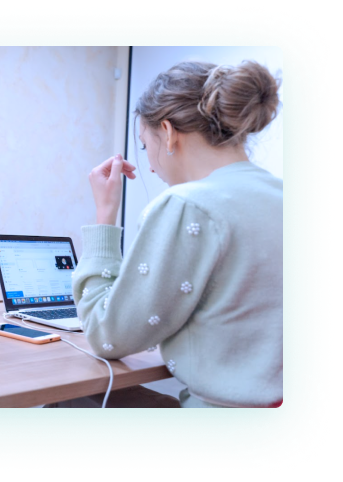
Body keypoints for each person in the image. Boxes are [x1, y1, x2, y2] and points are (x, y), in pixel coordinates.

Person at [70, 60, 283, 408]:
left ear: (167, 132)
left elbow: (107, 336)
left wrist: (105, 216)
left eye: (144, 144)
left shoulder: (189, 205)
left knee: (72, 405)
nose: (150, 165)